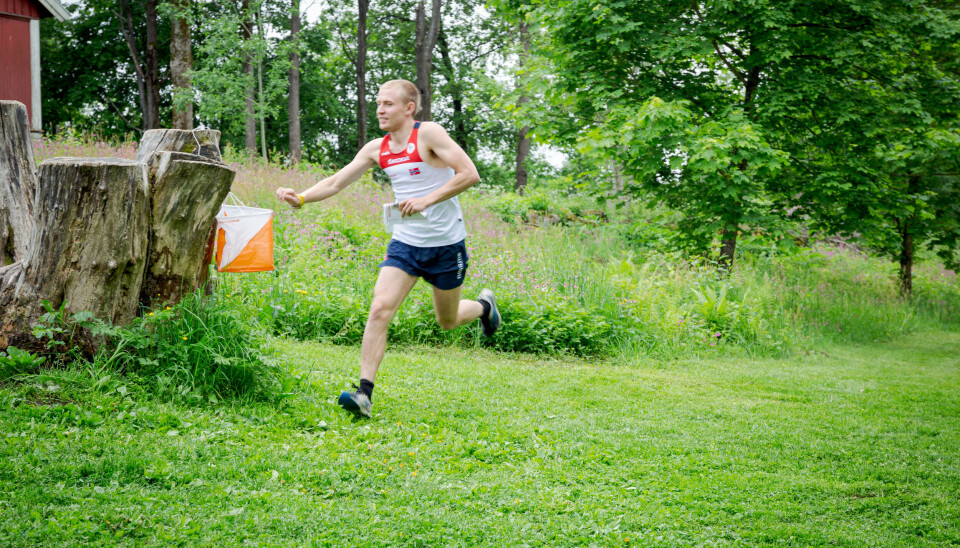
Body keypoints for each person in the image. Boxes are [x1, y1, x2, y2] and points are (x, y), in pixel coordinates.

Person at [275, 79, 501, 418]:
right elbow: (337, 181)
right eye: (378, 103)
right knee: (380, 308)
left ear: (409, 108)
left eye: (388, 104)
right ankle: (364, 393)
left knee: (448, 319)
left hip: (445, 244)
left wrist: (426, 198)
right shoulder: (376, 148)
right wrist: (303, 197)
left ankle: (484, 307)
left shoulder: (429, 135)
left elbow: (469, 174)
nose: (380, 109)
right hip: (406, 243)